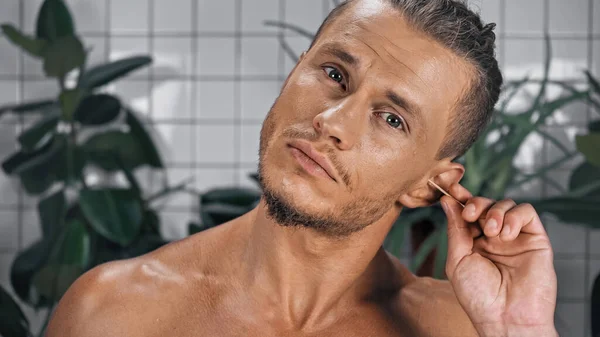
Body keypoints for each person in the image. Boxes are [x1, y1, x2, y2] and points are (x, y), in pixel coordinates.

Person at [46, 0, 558, 336]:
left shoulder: (458, 327)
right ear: (297, 67)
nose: (332, 120)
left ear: (432, 185)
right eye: (334, 73)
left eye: (392, 118)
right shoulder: (114, 313)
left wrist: (523, 329)